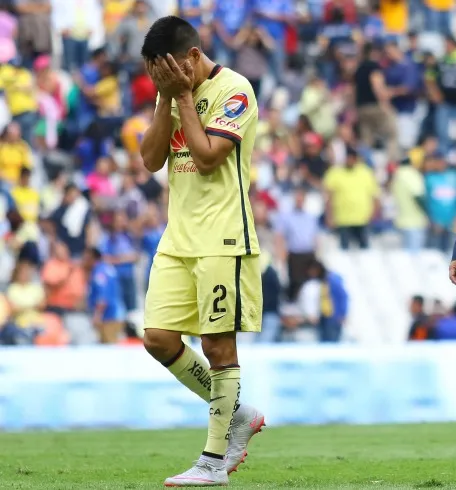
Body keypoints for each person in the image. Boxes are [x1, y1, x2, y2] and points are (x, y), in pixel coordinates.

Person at [139, 16, 266, 487]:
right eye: (154, 75)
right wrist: (165, 99)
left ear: (192, 57)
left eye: (166, 71)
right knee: (158, 338)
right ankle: (237, 415)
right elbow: (152, 160)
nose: (163, 80)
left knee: (218, 347)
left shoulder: (236, 90)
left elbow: (209, 156)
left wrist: (184, 98)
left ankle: (213, 464)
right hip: (178, 239)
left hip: (223, 236)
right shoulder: (170, 92)